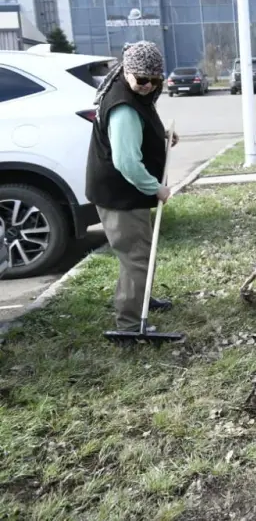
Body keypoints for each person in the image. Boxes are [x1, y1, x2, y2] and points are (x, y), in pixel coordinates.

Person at [85, 41, 177, 334]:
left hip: (125, 191)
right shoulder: (122, 106)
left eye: (155, 80)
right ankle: (128, 324)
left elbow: (140, 126)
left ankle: (141, 299)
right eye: (142, 80)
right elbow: (126, 162)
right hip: (120, 192)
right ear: (126, 72)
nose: (148, 86)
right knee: (135, 256)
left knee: (141, 249)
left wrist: (159, 136)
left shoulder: (133, 93)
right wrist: (155, 188)